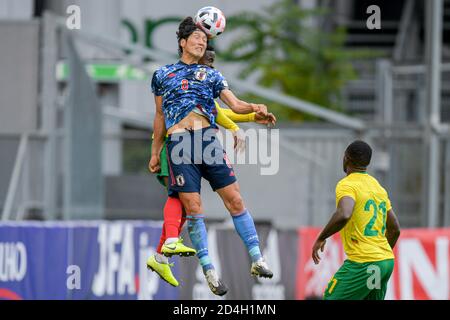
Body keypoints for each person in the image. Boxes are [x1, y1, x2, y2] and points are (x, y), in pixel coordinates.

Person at [149, 17, 274, 296]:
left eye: (204, 38)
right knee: (193, 209)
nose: (201, 41)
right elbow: (159, 116)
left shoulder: (212, 75)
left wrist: (255, 109)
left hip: (207, 142)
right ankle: (209, 272)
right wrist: (155, 151)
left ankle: (257, 259)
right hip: (179, 144)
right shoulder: (163, 74)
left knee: (236, 199)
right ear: (182, 42)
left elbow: (235, 105)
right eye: (195, 37)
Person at [311, 140, 401, 300]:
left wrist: (321, 237)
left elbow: (344, 213)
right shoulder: (377, 187)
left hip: (363, 262)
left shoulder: (347, 184)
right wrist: (380, 256)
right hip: (385, 262)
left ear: (346, 158)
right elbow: (395, 229)